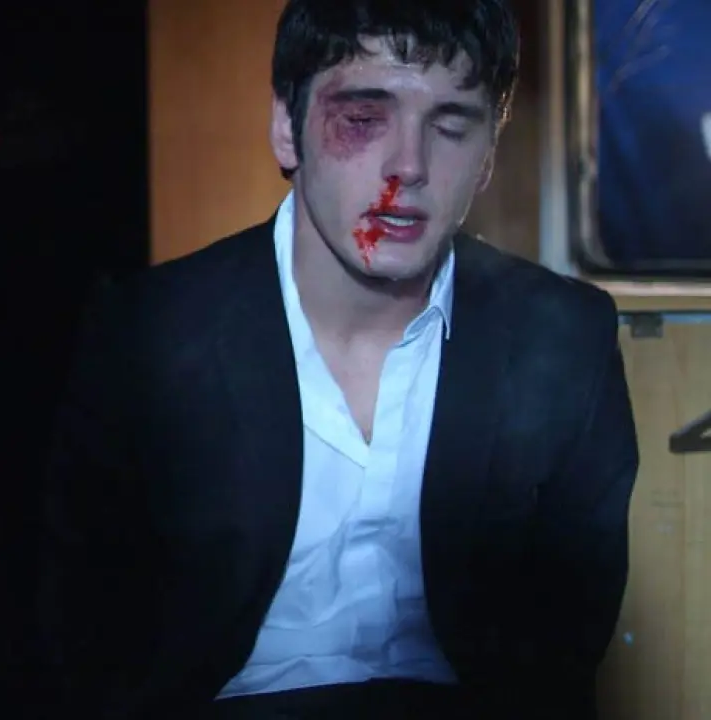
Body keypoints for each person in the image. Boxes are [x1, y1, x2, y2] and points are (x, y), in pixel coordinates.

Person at [40, 1, 639, 718]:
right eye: (362, 117)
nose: (408, 166)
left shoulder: (563, 335)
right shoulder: (150, 331)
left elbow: (570, 633)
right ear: (286, 127)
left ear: (487, 156)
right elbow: (88, 622)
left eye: (451, 127)